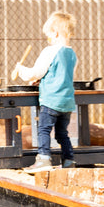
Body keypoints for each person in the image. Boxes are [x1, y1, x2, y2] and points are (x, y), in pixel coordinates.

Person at [13, 10, 78, 169]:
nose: (48, 39)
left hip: (51, 100)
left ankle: (43, 160)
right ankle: (69, 160)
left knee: (43, 130)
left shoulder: (49, 51)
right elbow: (62, 75)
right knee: (62, 133)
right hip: (67, 102)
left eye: (48, 35)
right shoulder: (73, 54)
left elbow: (35, 72)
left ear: (55, 33)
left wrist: (21, 69)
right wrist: (42, 79)